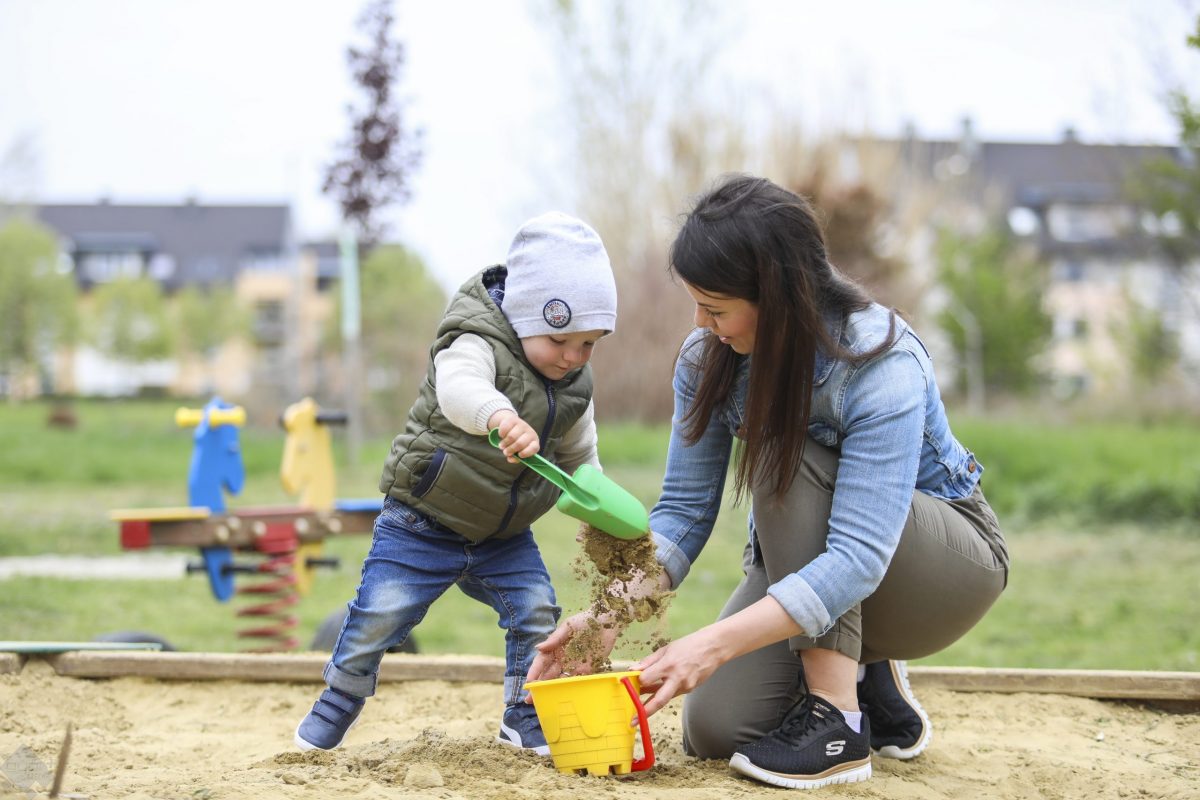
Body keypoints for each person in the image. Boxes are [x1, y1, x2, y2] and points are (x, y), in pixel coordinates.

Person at [528, 175, 1009, 790]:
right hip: (827, 565)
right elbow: (682, 513)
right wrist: (607, 615)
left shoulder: (880, 363)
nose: (701, 323)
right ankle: (867, 676)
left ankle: (838, 719)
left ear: (781, 296)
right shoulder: (707, 359)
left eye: (716, 308)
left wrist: (710, 644)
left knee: (786, 449)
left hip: (937, 572)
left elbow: (858, 558)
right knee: (716, 729)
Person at [296, 211, 619, 755]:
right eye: (561, 339)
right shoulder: (476, 339)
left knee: (536, 610)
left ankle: (524, 714)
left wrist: (600, 504)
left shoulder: (573, 383)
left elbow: (581, 454)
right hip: (423, 519)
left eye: (589, 344)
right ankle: (337, 702)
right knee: (379, 614)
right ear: (524, 314)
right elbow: (459, 388)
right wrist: (499, 416)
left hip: (503, 535)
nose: (573, 357)